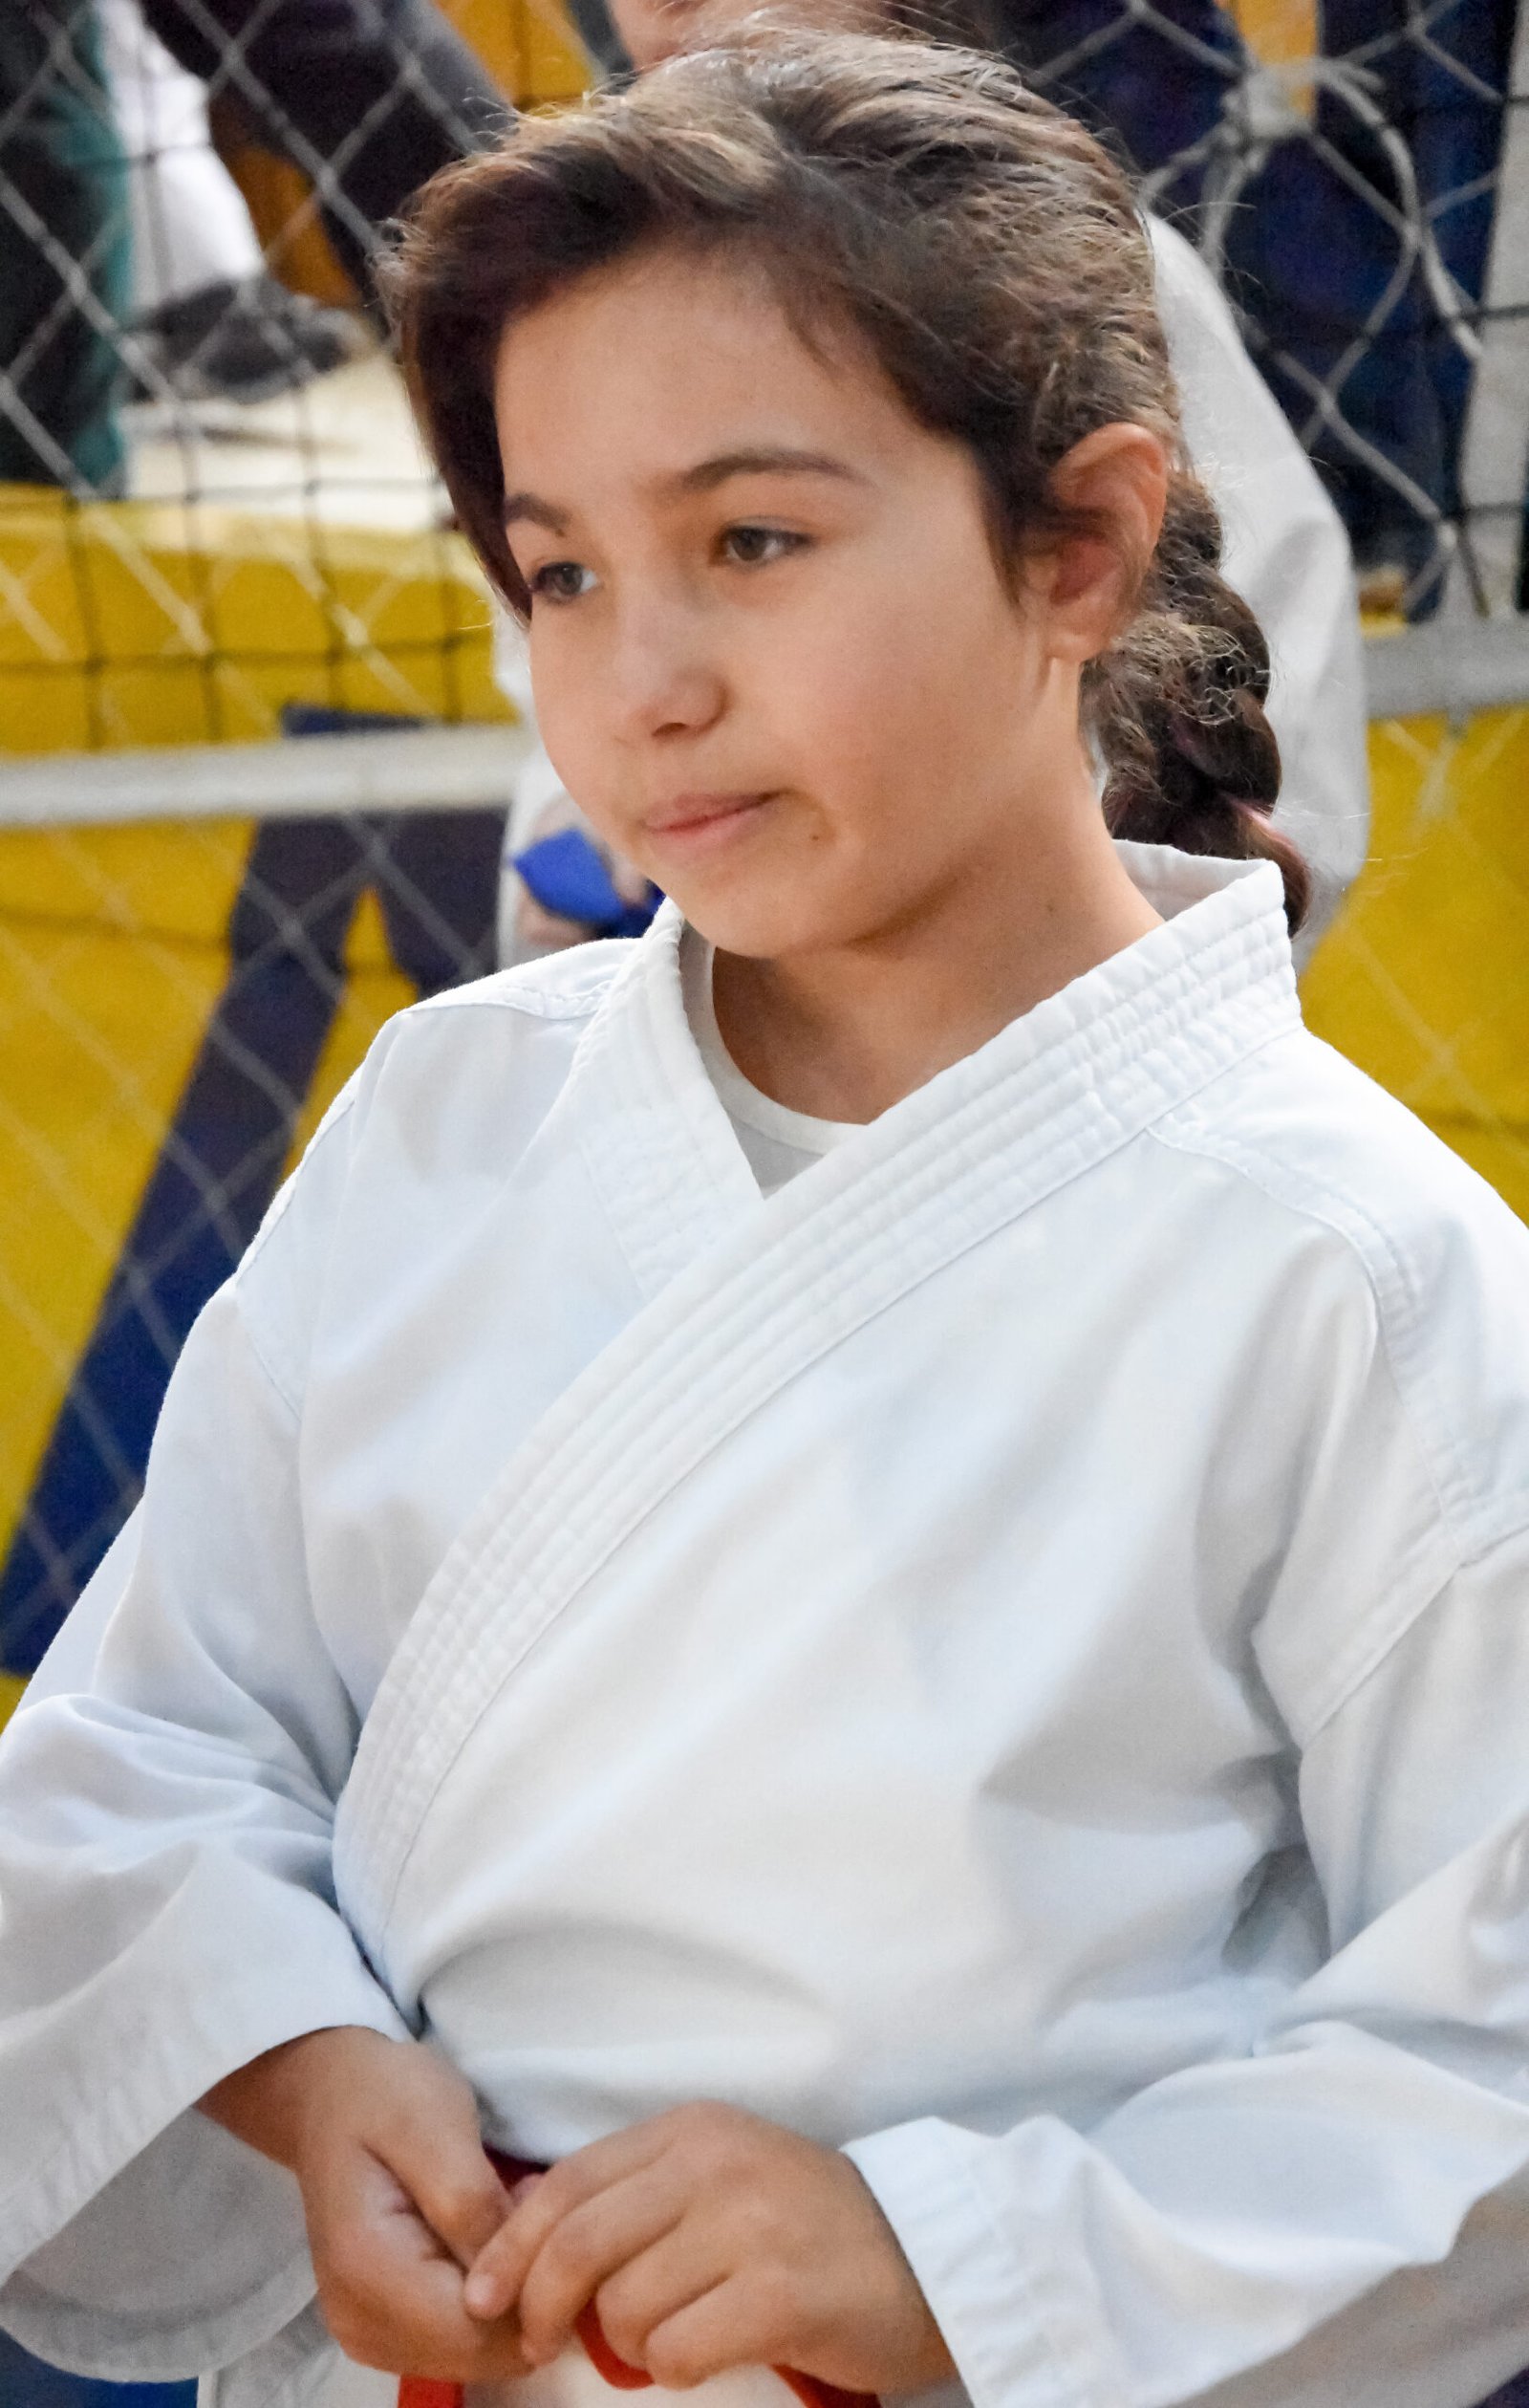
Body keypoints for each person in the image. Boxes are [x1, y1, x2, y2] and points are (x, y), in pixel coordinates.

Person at [5, 33, 1529, 2408]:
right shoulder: (446, 1121)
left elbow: (1484, 2052)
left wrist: (953, 2262)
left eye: (751, 543)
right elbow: (146, 1737)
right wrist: (300, 2066)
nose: (644, 685)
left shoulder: (1357, 1274)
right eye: (559, 572)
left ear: (1078, 542)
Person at [496, 0, 1368, 970]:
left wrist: (1086, 962)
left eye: (758, 540)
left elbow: (1259, 731)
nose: (667, 2)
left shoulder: (1076, 269)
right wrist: (578, 885)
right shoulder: (571, 308)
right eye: (565, 575)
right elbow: (575, 731)